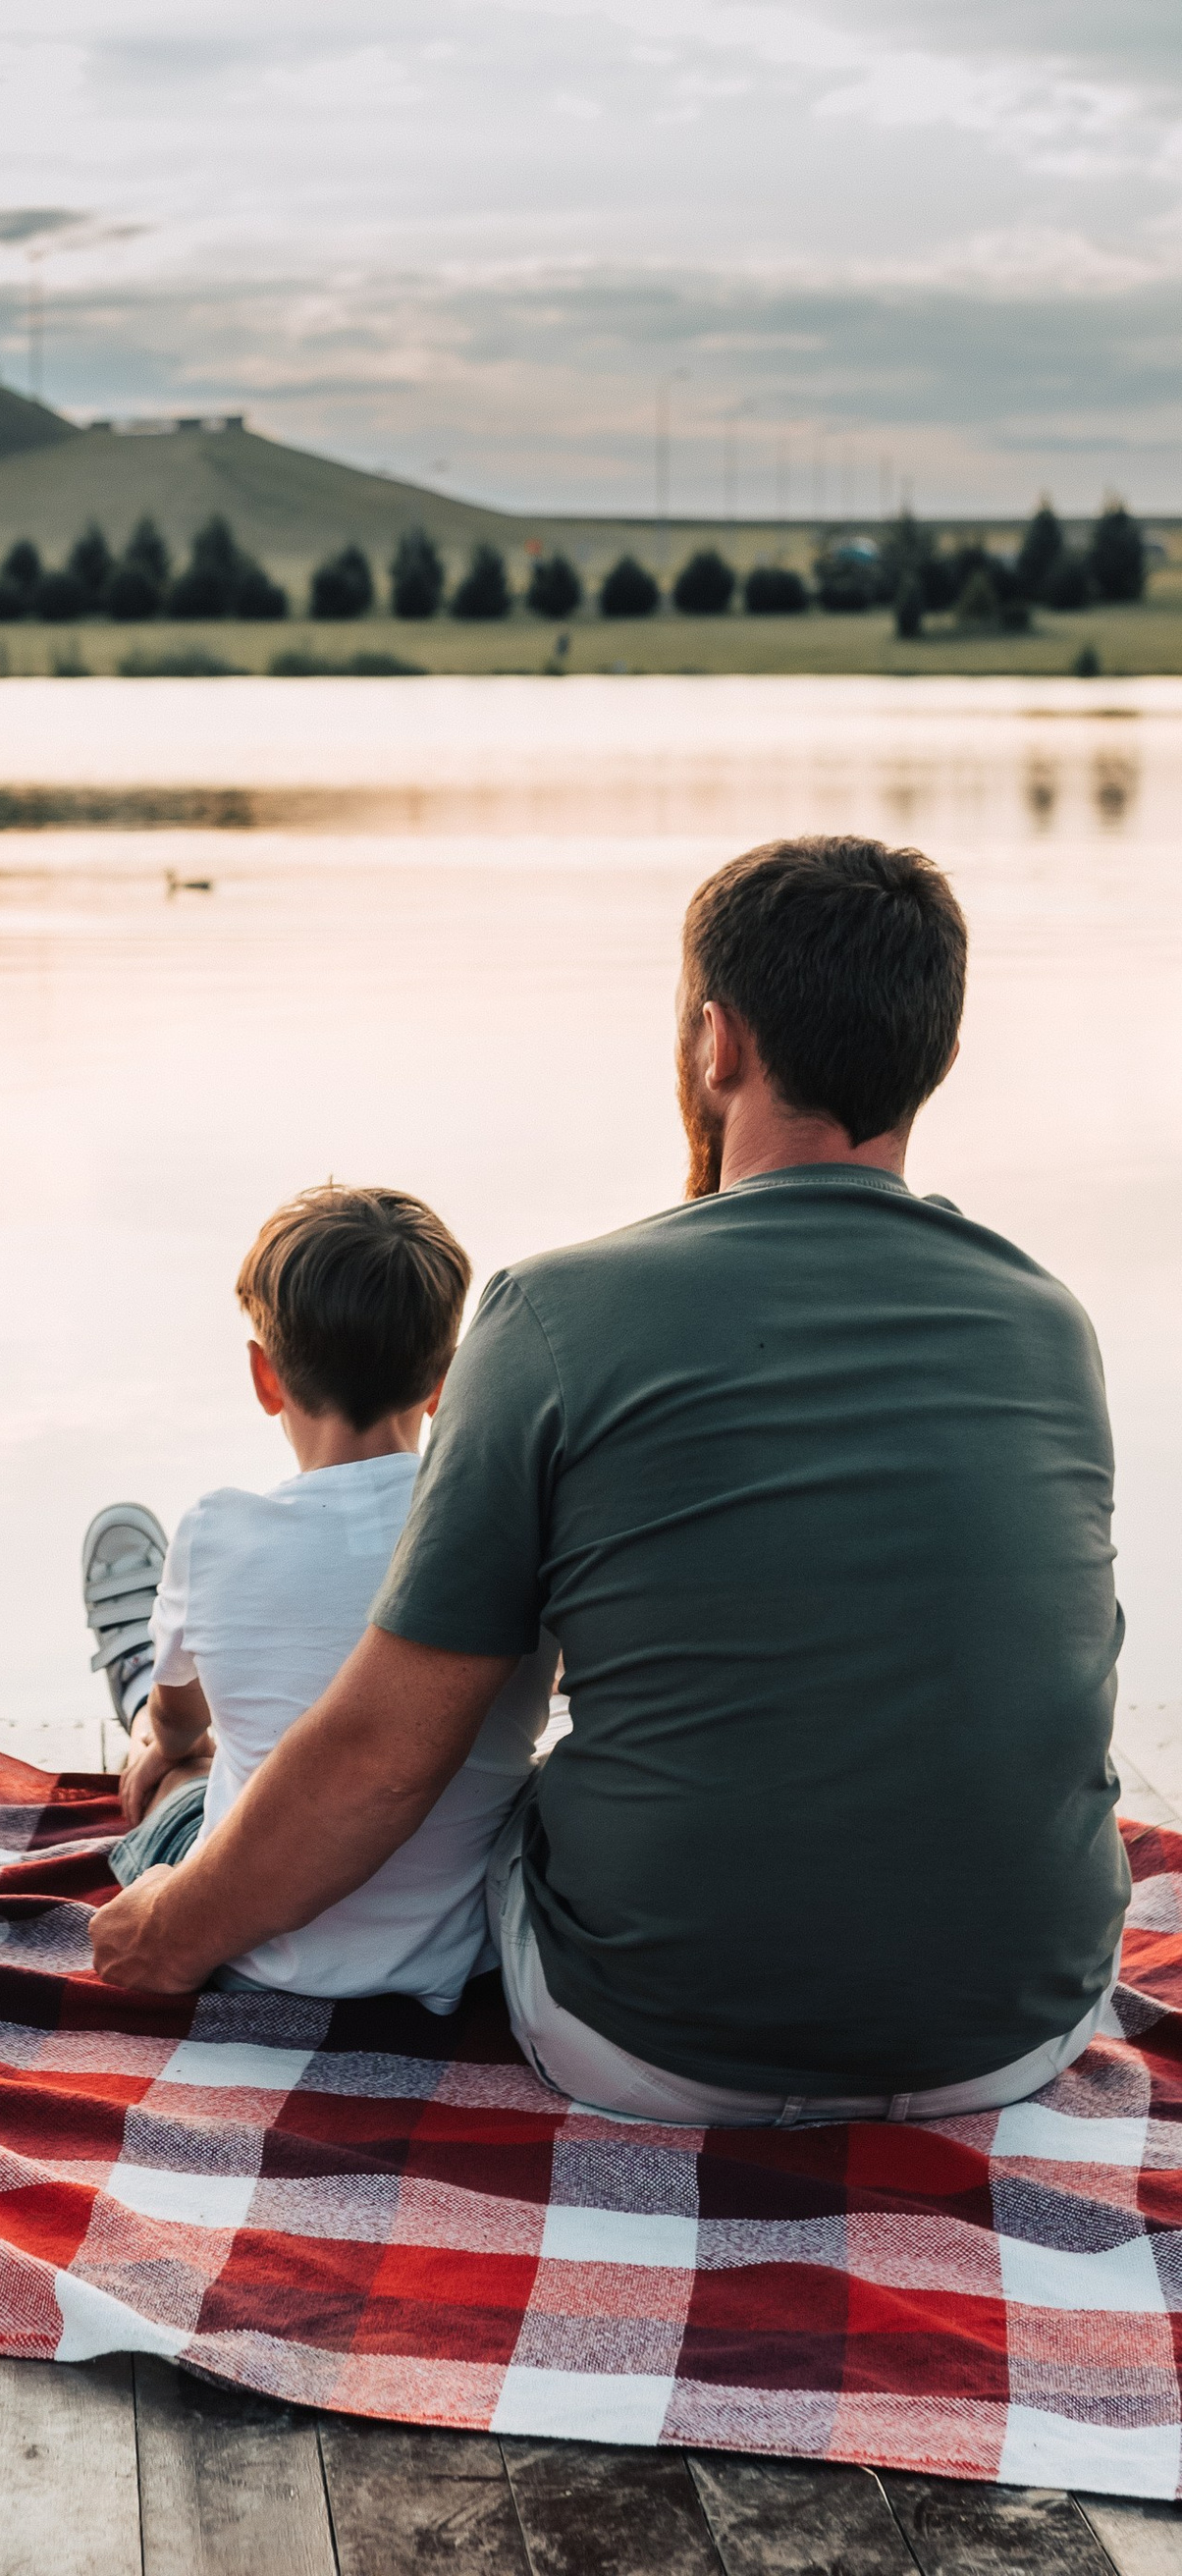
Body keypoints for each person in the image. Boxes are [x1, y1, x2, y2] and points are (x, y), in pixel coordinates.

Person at [89, 835, 1129, 2127]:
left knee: (513, 1795)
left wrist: (163, 1935)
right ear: (938, 1057)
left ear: (717, 1043)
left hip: (659, 2044)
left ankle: (146, 1703)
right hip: (1017, 2029)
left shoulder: (554, 1316)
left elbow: (383, 1763)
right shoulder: (1050, 1323)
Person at [86, 1184, 552, 2010]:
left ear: (266, 1376)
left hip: (253, 1951)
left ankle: (131, 1678)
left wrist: (162, 1740)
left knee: (180, 1775)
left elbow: (183, 1719)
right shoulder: (512, 1530)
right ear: (445, 1380)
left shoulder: (216, 1530)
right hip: (461, 1957)